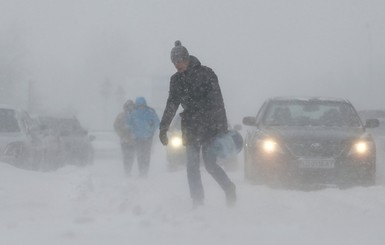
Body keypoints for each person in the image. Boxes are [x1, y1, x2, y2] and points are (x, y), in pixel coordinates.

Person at [159, 40, 236, 207]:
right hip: (191, 126)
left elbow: (218, 101)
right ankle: (197, 200)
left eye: (179, 61)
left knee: (210, 164)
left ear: (186, 58)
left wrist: (221, 127)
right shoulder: (176, 80)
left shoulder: (207, 74)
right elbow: (172, 104)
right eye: (174, 62)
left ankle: (229, 188)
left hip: (210, 126)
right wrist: (163, 127)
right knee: (192, 166)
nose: (177, 65)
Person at [126, 96, 159, 177]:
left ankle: (143, 171)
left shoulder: (134, 113)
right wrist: (151, 131)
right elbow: (157, 123)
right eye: (140, 105)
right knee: (144, 156)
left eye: (142, 105)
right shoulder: (150, 112)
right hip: (144, 138)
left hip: (141, 138)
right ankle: (143, 172)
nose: (141, 107)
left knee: (142, 155)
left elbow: (128, 125)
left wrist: (134, 132)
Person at [114, 99, 135, 175]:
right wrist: (121, 133)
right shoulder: (121, 115)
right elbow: (116, 126)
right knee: (126, 156)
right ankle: (127, 171)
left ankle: (128, 170)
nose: (130, 107)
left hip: (132, 140)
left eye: (131, 106)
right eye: (128, 106)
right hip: (125, 139)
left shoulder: (135, 115)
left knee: (131, 156)